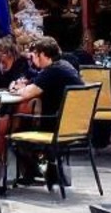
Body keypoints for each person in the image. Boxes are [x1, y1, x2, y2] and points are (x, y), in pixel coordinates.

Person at [6, 35, 83, 184]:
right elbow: (37, 84)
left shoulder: (51, 72)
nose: (32, 59)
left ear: (41, 54)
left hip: (54, 125)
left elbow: (26, 94)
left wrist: (17, 88)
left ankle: (35, 173)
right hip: (73, 125)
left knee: (14, 134)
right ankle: (44, 173)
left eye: (34, 56)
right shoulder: (65, 66)